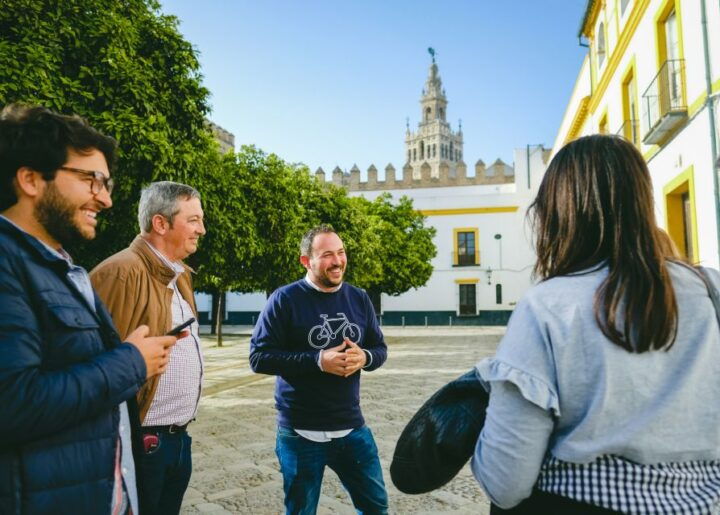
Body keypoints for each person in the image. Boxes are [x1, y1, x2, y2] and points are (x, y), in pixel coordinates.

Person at [471, 134, 720, 513]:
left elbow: (507, 482)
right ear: (643, 200)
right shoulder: (711, 290)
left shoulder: (548, 305)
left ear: (558, 213)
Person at [0, 104, 179, 514]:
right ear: (30, 178)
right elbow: (12, 402)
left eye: (107, 183)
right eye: (91, 180)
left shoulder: (59, 267)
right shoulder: (7, 262)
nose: (105, 199)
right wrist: (131, 362)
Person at [249, 224, 389, 514]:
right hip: (300, 433)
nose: (337, 261)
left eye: (341, 252)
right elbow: (259, 358)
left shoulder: (359, 297)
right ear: (306, 261)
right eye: (327, 255)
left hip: (352, 429)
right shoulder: (284, 299)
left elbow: (380, 349)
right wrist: (317, 361)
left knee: (377, 509)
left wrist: (364, 357)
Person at [90, 181, 206, 515]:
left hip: (177, 440)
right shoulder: (121, 272)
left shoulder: (179, 274)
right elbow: (94, 361)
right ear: (160, 223)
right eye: (194, 219)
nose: (202, 229)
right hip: (141, 441)